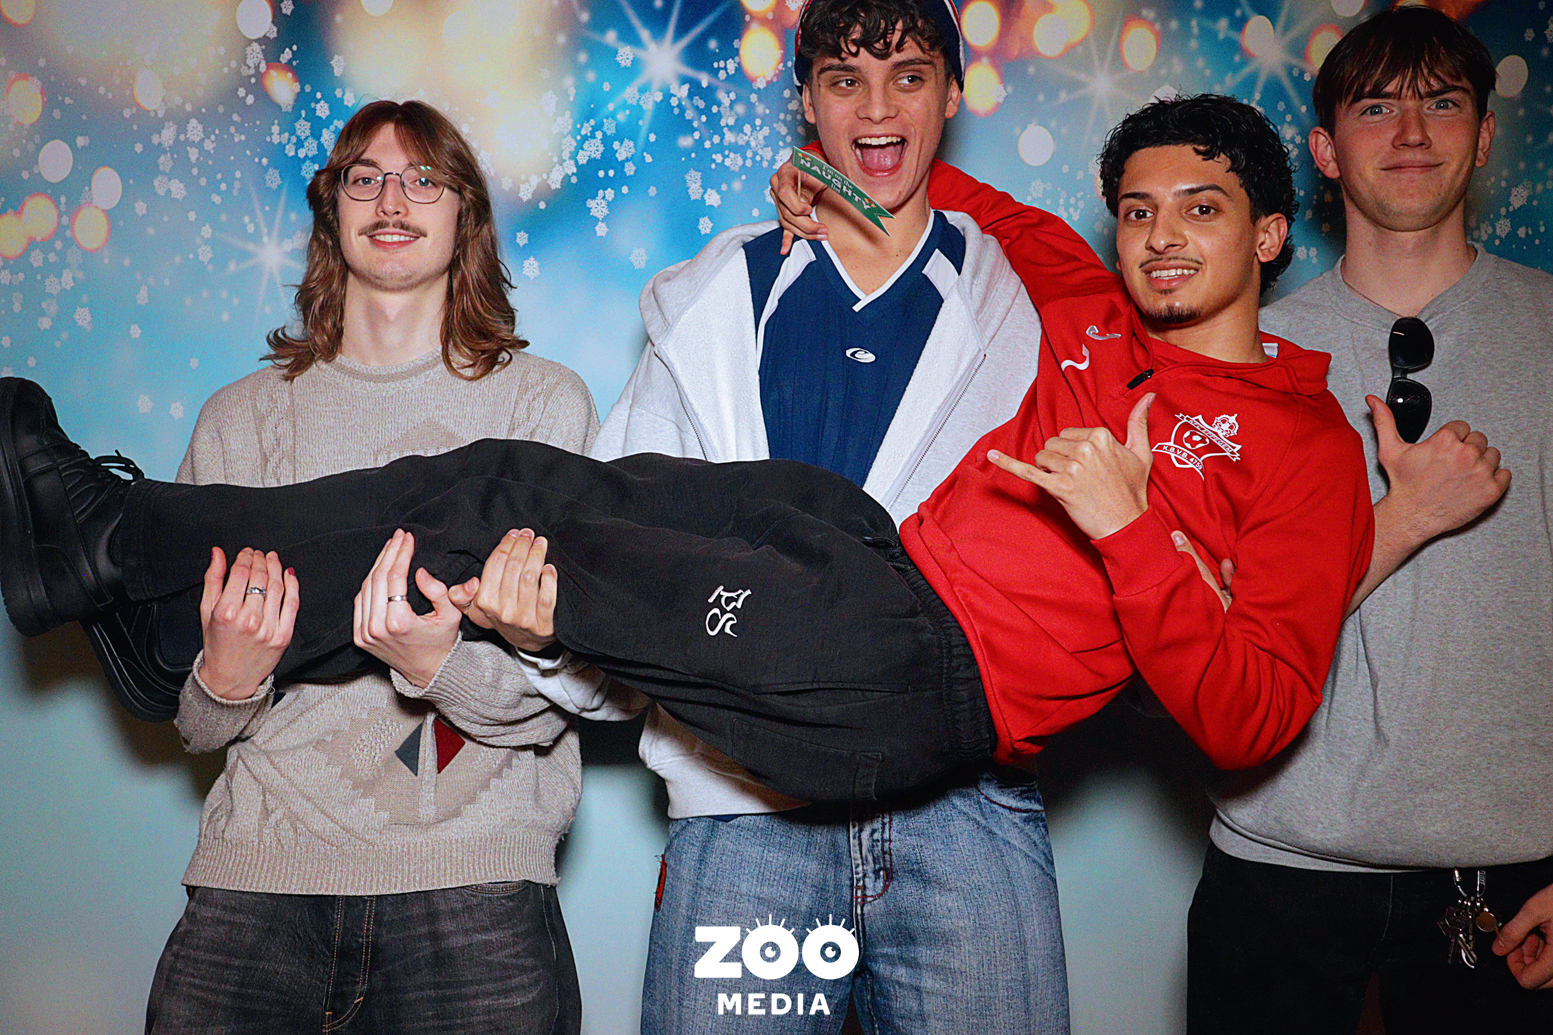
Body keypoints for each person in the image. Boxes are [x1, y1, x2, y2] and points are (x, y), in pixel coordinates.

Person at [0, 82, 1369, 933]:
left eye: (1201, 210)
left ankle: (115, 543)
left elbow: (1252, 716)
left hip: (924, 681)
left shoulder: (1304, 446)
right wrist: (822, 175)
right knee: (500, 480)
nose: (1160, 237)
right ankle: (133, 585)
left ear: (1268, 234)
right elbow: (940, 177)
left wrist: (1130, 527)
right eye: (1138, 210)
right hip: (872, 554)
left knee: (518, 540)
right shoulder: (1087, 303)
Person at [524, 0, 1116, 1028]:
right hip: (746, 809)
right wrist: (549, 636)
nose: (876, 108)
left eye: (908, 77)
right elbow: (626, 541)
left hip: (964, 810)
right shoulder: (721, 298)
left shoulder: (1030, 305)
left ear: (952, 92)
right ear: (805, 100)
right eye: (845, 80)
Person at [129, 100, 595, 1033]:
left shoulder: (542, 408)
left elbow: (573, 688)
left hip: (475, 886)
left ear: (464, 213)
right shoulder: (240, 418)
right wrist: (226, 678)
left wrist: (437, 665)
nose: (392, 201)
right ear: (331, 207)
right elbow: (196, 722)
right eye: (365, 177)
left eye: (423, 179)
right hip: (258, 880)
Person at [1183, 9, 1551, 1033]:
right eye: (1376, 107)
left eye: (1442, 103)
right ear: (1324, 150)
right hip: (1275, 868)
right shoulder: (1237, 360)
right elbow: (1205, 639)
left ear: (1483, 134)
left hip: (1511, 881)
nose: (1411, 133)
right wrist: (1403, 519)